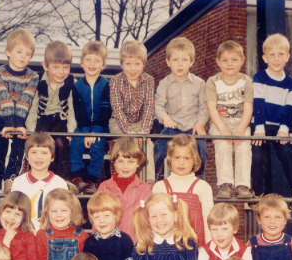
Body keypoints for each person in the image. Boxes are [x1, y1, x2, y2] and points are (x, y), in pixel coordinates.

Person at [251, 33, 292, 198]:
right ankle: (257, 192)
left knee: (288, 151)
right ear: (265, 58)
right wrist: (259, 128)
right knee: (258, 155)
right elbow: (257, 103)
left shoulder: (289, 83)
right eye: (272, 55)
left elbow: (290, 108)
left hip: (279, 126)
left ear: (287, 57)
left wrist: (284, 129)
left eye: (281, 54)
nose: (276, 59)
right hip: (261, 124)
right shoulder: (260, 77)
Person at [0, 28, 39, 194]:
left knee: (19, 151)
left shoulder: (33, 76)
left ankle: (10, 179)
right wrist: (9, 125)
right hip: (0, 117)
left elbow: (25, 101)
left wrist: (18, 126)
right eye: (19, 52)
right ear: (8, 52)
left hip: (21, 118)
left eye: (28, 54)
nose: (23, 57)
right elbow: (4, 98)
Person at [154, 36, 208, 180]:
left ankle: (199, 178)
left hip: (193, 127)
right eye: (175, 60)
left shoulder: (200, 83)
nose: (180, 64)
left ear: (191, 62)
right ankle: (155, 178)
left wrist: (200, 122)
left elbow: (204, 107)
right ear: (168, 62)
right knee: (159, 146)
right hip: (173, 126)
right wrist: (165, 118)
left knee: (201, 148)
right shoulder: (164, 84)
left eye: (184, 60)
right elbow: (158, 106)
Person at [206, 40, 254, 199]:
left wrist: (242, 128)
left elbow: (248, 107)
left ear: (242, 60)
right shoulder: (213, 81)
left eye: (234, 60)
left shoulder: (246, 81)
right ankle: (225, 184)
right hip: (220, 122)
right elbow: (211, 108)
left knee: (244, 148)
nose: (230, 64)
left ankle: (242, 185)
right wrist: (222, 128)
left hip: (241, 121)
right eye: (225, 60)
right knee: (223, 146)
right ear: (218, 62)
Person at [26, 40, 76, 182]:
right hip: (43, 121)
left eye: (65, 67)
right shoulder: (39, 83)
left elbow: (71, 107)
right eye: (56, 67)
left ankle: (62, 179)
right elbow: (34, 106)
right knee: (42, 146)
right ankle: (39, 176)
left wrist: (71, 131)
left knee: (60, 144)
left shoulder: (70, 83)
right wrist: (31, 130)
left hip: (61, 120)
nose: (61, 72)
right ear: (45, 66)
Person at [152, 134, 214, 246]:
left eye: (186, 158)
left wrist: (209, 249)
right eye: (177, 157)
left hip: (195, 248)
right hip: (167, 247)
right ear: (170, 159)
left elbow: (208, 221)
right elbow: (154, 221)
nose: (181, 162)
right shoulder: (160, 187)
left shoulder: (203, 187)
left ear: (194, 160)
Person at [109, 40, 156, 182]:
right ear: (122, 64)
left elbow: (149, 107)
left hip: (140, 124)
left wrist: (143, 131)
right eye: (128, 64)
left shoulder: (149, 80)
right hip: (119, 123)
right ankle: (122, 181)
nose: (132, 68)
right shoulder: (115, 81)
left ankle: (148, 183)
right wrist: (129, 132)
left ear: (144, 64)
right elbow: (117, 110)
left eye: (137, 64)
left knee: (147, 144)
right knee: (127, 146)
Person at [70, 41, 112, 195]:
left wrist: (94, 132)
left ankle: (93, 179)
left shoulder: (107, 84)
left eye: (97, 61)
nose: (92, 64)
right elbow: (79, 111)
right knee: (76, 141)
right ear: (82, 63)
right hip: (82, 125)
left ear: (103, 65)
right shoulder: (77, 86)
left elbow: (105, 110)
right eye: (88, 60)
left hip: (100, 125)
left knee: (97, 144)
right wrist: (86, 131)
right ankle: (77, 177)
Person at [96, 137, 151, 243]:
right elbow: (96, 216)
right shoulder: (104, 187)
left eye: (130, 162)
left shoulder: (145, 190)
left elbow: (148, 220)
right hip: (109, 243)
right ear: (114, 162)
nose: (125, 166)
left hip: (135, 243)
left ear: (138, 163)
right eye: (121, 161)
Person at [11, 132, 68, 232]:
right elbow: (14, 212)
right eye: (34, 152)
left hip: (51, 235)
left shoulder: (60, 183)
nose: (39, 157)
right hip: (25, 233)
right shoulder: (18, 182)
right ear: (27, 157)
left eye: (44, 153)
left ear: (52, 157)